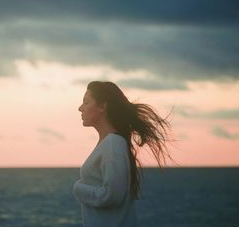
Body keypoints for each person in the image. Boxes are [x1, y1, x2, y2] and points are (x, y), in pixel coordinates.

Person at [72, 81, 172, 227]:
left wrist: (78, 188)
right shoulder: (109, 143)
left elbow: (112, 196)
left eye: (86, 102)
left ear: (102, 106)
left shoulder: (113, 143)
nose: (80, 108)